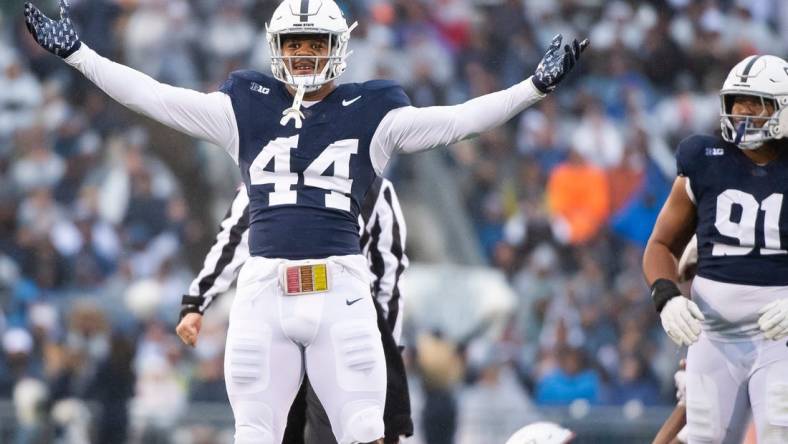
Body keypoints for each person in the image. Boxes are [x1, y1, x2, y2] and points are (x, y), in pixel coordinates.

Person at [24, 1, 588, 442]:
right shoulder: (244, 104)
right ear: (275, 46)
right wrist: (79, 54)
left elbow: (459, 121)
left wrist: (532, 88)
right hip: (262, 292)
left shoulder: (376, 111)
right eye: (292, 43)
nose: (301, 55)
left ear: (338, 46)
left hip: (341, 287)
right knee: (254, 434)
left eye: (312, 43)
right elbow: (154, 96)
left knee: (366, 430)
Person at [175, 177, 412, 443]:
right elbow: (388, 280)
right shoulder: (368, 182)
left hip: (323, 324)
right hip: (334, 324)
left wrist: (196, 301)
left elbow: (388, 279)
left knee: (269, 429)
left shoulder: (267, 175)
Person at [643, 54, 788, 444]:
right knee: (702, 435)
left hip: (778, 333)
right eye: (736, 102)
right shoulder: (705, 160)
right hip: (714, 332)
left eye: (755, 102)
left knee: (778, 430)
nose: (742, 112)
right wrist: (667, 296)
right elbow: (660, 245)